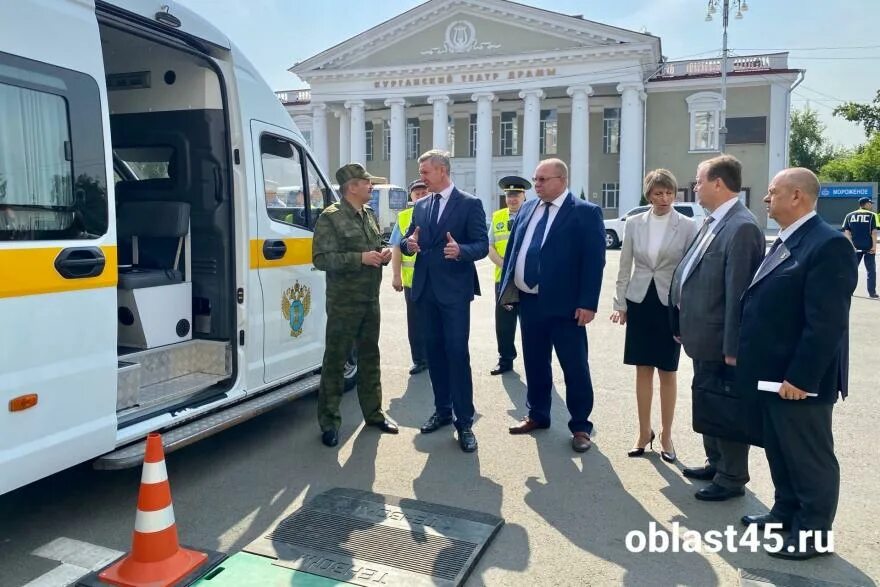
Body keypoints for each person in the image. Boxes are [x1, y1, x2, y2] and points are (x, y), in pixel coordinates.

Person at [738, 168, 857, 559]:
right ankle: (785, 513)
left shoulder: (826, 244)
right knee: (781, 449)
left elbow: (826, 323)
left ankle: (813, 534)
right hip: (773, 375)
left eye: (772, 193)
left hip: (800, 379)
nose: (765, 200)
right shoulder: (789, 238)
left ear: (797, 197)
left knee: (809, 458)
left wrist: (801, 377)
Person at [669, 154, 764, 501]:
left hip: (721, 342)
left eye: (699, 181)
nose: (695, 187)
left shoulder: (741, 227)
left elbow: (739, 295)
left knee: (726, 407)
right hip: (701, 337)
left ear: (718, 184)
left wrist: (731, 347)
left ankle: (732, 476)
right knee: (710, 402)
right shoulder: (712, 221)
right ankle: (716, 461)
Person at [499, 158, 606, 453]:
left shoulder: (585, 213)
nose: (537, 185)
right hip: (529, 302)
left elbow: (594, 262)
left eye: (543, 180)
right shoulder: (528, 209)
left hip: (567, 307)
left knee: (574, 367)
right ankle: (537, 414)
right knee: (534, 362)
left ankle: (581, 426)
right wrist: (508, 292)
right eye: (535, 179)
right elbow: (514, 251)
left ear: (562, 180)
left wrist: (588, 303)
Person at [400, 150, 488, 452]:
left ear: (441, 170)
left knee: (456, 354)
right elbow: (409, 240)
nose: (421, 177)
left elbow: (481, 244)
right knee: (434, 354)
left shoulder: (469, 204)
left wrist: (461, 250)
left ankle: (464, 422)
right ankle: (442, 409)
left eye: (425, 172)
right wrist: (408, 244)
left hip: (453, 292)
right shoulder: (421, 205)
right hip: (425, 291)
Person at [610, 169, 698, 463]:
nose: (664, 198)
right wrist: (619, 303)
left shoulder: (687, 226)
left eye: (669, 193)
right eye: (658, 193)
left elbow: (690, 272)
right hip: (640, 301)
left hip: (670, 304)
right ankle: (642, 431)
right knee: (642, 369)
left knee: (668, 371)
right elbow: (624, 265)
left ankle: (667, 434)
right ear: (648, 194)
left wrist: (687, 309)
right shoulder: (634, 223)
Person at [312, 163, 398, 447]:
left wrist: (382, 254)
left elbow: (372, 246)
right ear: (352, 187)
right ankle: (329, 422)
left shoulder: (369, 215)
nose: (371, 186)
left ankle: (374, 414)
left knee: (370, 358)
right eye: (366, 182)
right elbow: (321, 259)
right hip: (343, 303)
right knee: (336, 361)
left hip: (370, 299)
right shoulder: (331, 217)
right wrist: (360, 259)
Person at [488, 176, 530, 375]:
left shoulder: (533, 215)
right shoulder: (497, 217)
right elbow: (490, 246)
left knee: (531, 324)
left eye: (517, 195)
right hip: (503, 281)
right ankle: (505, 359)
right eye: (509, 195)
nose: (512, 199)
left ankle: (534, 361)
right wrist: (506, 267)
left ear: (524, 196)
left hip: (528, 280)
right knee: (504, 323)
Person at [390, 179, 430, 375]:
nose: (421, 196)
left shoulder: (437, 211)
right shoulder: (404, 217)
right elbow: (396, 248)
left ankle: (435, 357)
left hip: (434, 280)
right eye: (417, 193)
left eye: (424, 192)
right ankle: (419, 359)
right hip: (411, 280)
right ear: (411, 196)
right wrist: (396, 275)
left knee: (434, 320)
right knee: (414, 322)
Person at [842, 196, 878, 298]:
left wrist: (851, 246)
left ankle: (849, 291)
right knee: (871, 270)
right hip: (869, 247)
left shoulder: (849, 215)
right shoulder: (872, 215)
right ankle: (872, 293)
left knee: (852, 270)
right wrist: (874, 246)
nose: (871, 205)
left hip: (855, 248)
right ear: (865, 204)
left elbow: (847, 232)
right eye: (870, 203)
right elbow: (874, 232)